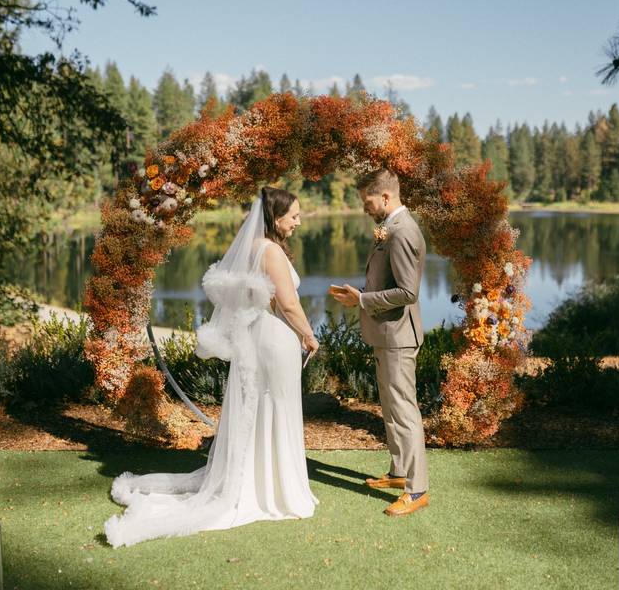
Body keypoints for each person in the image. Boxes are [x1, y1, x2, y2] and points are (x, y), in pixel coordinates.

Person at [104, 186, 319, 547]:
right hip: (275, 340)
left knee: (264, 410)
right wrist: (310, 336)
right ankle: (280, 491)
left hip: (260, 339)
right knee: (278, 409)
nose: (298, 221)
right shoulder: (271, 252)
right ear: (275, 217)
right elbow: (290, 304)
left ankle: (265, 483)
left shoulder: (253, 249)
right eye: (293, 215)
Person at [330, 168, 430, 516]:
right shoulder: (390, 228)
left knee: (404, 410)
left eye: (367, 200)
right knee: (390, 406)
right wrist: (359, 297)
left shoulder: (402, 233)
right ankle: (399, 473)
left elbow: (408, 292)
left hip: (398, 337)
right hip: (387, 334)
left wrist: (362, 299)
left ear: (385, 197)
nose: (365, 208)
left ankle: (417, 491)